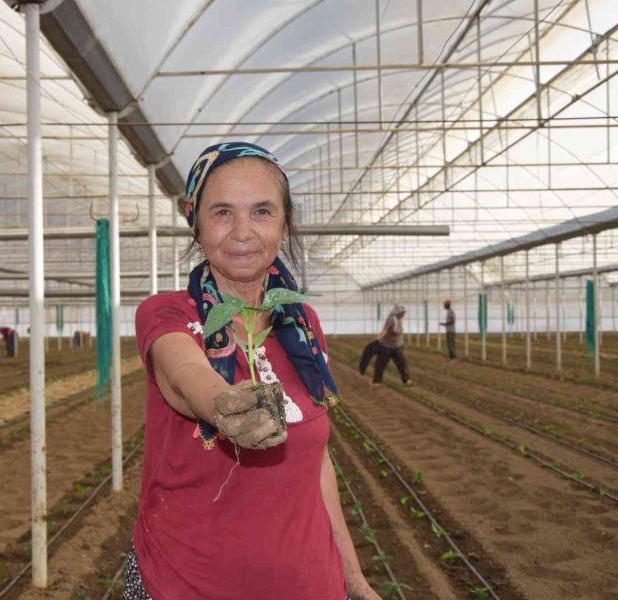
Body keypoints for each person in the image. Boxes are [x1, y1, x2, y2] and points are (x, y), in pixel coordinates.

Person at [129, 142, 380, 600]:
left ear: (284, 223)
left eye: (262, 211)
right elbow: (187, 378)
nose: (242, 232)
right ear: (196, 223)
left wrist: (354, 577)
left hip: (312, 585)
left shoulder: (300, 326)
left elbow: (314, 465)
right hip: (184, 586)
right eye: (222, 212)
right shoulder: (166, 314)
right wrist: (223, 404)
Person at [372, 305, 412, 386]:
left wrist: (401, 344)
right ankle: (377, 382)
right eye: (402, 313)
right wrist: (377, 340)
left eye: (404, 313)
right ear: (397, 312)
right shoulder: (391, 319)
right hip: (386, 346)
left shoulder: (399, 320)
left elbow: (399, 334)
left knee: (402, 364)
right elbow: (385, 330)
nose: (404, 314)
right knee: (380, 364)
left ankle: (406, 380)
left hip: (397, 346)